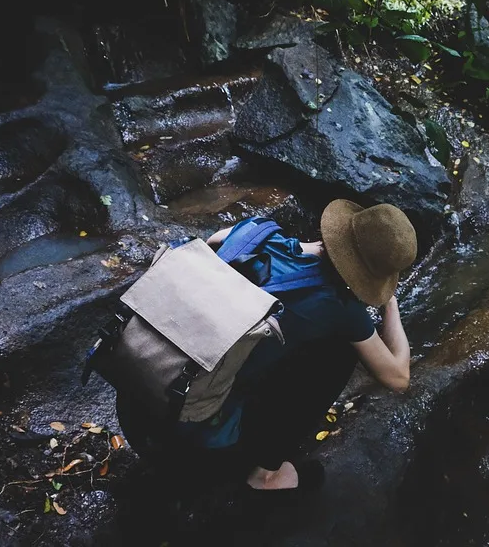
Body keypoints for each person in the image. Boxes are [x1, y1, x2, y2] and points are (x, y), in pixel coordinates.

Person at [116, 199, 416, 496]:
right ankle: (266, 475)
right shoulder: (338, 306)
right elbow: (398, 378)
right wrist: (390, 304)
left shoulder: (255, 231)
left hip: (135, 398)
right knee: (340, 353)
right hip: (193, 445)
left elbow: (212, 241)